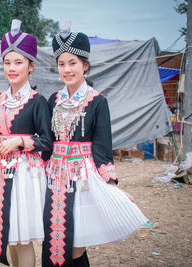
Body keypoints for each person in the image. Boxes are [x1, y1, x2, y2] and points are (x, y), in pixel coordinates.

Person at [41, 24, 148, 267]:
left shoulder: (98, 102)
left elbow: (102, 149)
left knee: (76, 244)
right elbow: (47, 144)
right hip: (54, 178)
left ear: (85, 65)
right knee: (53, 240)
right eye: (61, 64)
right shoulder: (52, 100)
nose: (67, 70)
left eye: (73, 63)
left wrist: (111, 186)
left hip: (83, 179)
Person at [0, 19, 52, 267]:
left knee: (23, 238)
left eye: (18, 62)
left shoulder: (38, 101)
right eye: (7, 62)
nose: (11, 68)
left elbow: (46, 141)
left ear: (31, 66)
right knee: (7, 236)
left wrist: (18, 141)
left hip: (26, 175)